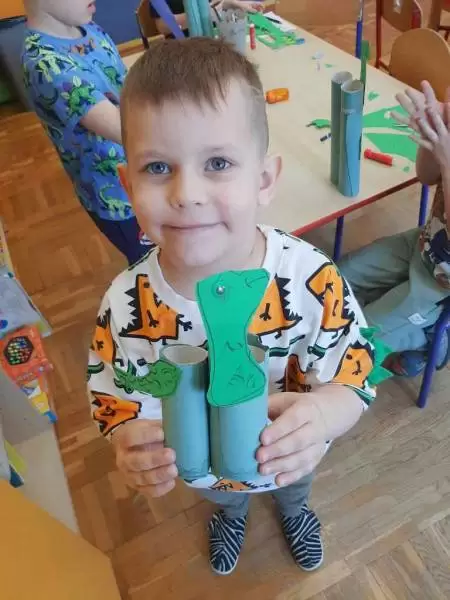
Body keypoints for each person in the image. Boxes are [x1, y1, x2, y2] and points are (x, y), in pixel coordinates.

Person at [87, 38, 377, 576]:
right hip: (203, 472)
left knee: (294, 488)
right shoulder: (125, 305)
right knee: (224, 496)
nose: (187, 193)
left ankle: (296, 511)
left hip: (290, 458)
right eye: (158, 167)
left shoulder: (310, 279)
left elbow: (355, 375)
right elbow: (114, 395)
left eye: (217, 162)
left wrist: (322, 415)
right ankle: (232, 514)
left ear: (263, 180)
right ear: (127, 185)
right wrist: (127, 440)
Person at [22, 0, 151, 266]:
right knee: (153, 266)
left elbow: (125, 86)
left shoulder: (89, 28)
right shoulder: (46, 63)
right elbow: (129, 132)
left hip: (144, 174)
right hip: (119, 199)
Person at [339, 81, 450, 377]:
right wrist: (429, 137)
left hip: (442, 288)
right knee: (335, 279)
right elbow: (427, 176)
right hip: (423, 246)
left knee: (359, 345)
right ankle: (401, 324)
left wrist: (448, 161)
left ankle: (432, 339)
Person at [150, 0, 263, 37]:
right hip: (184, 47)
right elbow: (163, 27)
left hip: (218, 38)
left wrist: (238, 4)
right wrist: (210, 12)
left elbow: (220, 4)